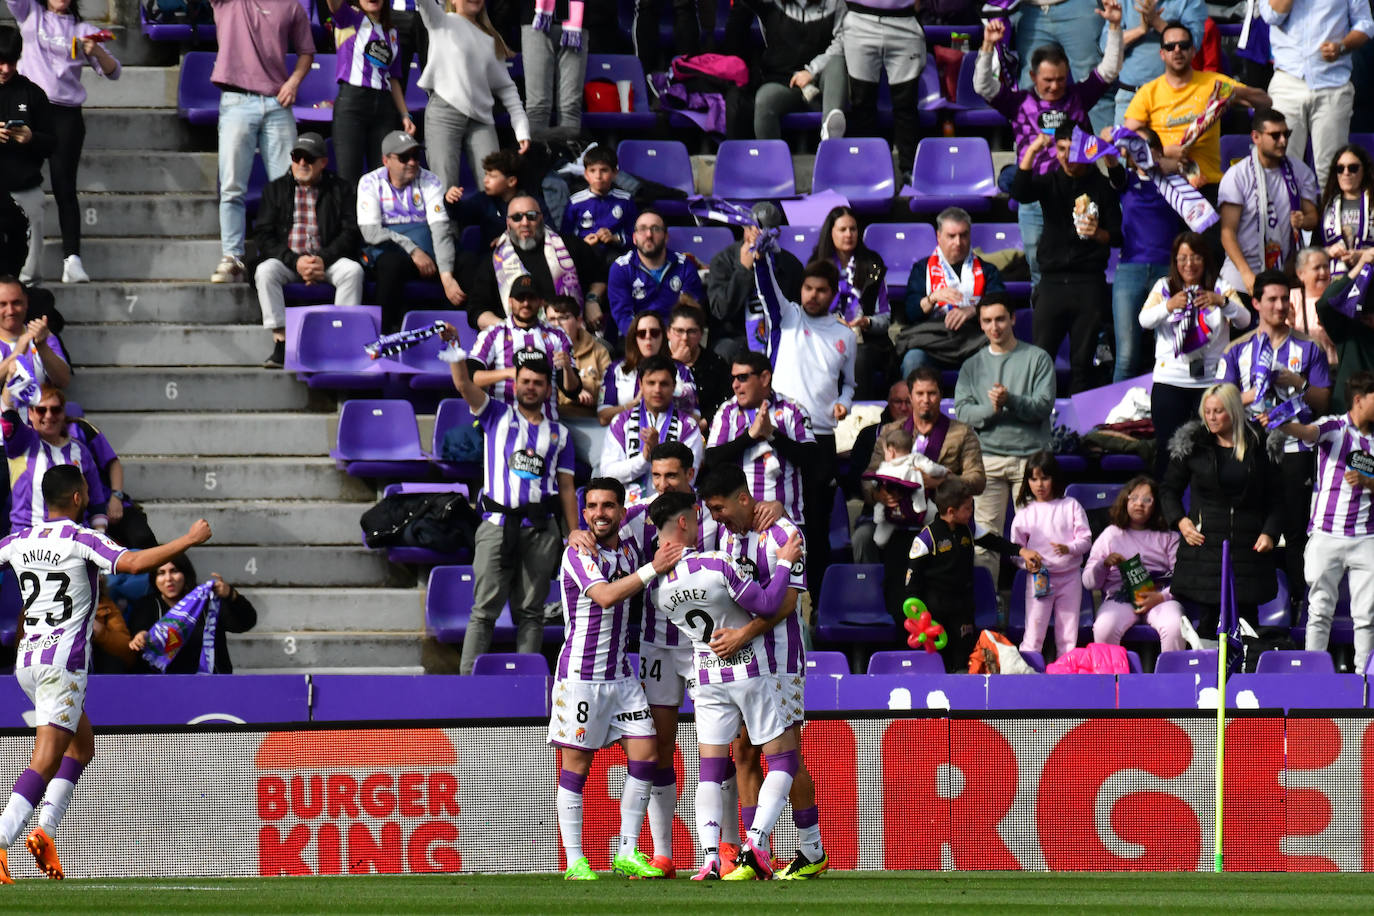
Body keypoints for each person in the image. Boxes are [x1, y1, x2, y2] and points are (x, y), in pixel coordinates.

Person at [0, 464, 211, 884]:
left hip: (28, 661)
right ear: (78, 498)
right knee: (45, 759)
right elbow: (131, 564)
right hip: (63, 663)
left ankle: (44, 831)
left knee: (81, 746)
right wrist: (188, 540)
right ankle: (2, 839)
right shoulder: (82, 538)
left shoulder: (17, 540)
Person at [645, 489, 804, 881]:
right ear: (684, 522)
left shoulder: (657, 591)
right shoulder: (716, 563)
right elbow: (768, 604)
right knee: (783, 759)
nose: (706, 524)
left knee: (710, 770)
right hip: (747, 669)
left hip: (706, 676)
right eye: (699, 518)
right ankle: (754, 844)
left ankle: (711, 857)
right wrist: (783, 563)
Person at [697, 465, 828, 880]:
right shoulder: (726, 536)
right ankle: (761, 853)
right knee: (744, 755)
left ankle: (810, 849)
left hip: (780, 662)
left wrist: (742, 635)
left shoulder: (784, 533)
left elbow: (788, 603)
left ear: (742, 498)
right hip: (741, 668)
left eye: (720, 508)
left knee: (787, 756)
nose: (717, 517)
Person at [549, 476, 681, 881]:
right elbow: (605, 596)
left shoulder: (627, 540)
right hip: (582, 676)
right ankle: (574, 860)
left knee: (647, 756)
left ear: (621, 512)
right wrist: (652, 568)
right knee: (577, 767)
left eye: (608, 506)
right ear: (584, 511)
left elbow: (669, 499)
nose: (599, 514)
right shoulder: (577, 553)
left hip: (621, 676)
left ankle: (626, 849)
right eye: (591, 507)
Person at [440, 332, 578, 674]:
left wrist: (573, 533)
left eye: (538, 383)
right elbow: (462, 383)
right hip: (496, 527)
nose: (530, 387)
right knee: (483, 610)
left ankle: (528, 685)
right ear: (515, 384)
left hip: (541, 531)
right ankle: (468, 684)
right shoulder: (495, 414)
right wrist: (456, 348)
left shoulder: (560, 434)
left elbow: (566, 487)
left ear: (548, 389)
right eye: (525, 381)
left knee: (531, 613)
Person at [976, 8, 1123, 284]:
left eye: (1060, 79)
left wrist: (1115, 27)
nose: (1055, 86)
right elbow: (983, 86)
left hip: (1080, 195)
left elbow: (1110, 69)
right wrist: (987, 46)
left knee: (1087, 270)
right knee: (1037, 270)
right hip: (1035, 195)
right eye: (1048, 80)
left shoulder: (1079, 96)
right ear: (1032, 76)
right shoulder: (1018, 103)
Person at [1221, 268, 1331, 611]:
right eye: (1272, 299)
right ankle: (1250, 609)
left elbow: (1324, 402)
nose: (1281, 305)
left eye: (1285, 299)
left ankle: (1300, 605)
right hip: (1251, 449)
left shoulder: (1308, 347)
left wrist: (1298, 382)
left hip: (1296, 450)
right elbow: (1217, 403)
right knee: (1251, 530)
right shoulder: (1237, 349)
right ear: (1255, 303)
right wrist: (1250, 395)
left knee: (1296, 532)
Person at [754, 242, 855, 594]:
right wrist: (760, 256)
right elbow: (766, 287)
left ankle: (815, 600)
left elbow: (850, 385)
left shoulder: (845, 335)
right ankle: (768, 590)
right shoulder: (788, 316)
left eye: (821, 290)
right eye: (808, 288)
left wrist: (844, 402)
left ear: (832, 293)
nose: (813, 295)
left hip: (821, 438)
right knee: (773, 518)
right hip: (781, 430)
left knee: (815, 523)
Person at [7, 0, 119, 284]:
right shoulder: (31, 13)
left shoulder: (83, 29)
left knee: (64, 184)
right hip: (29, 105)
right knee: (15, 178)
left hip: (65, 113)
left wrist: (95, 52)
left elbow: (113, 71)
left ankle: (72, 259)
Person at [208, 0, 315, 284]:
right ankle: (232, 256)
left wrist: (293, 83)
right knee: (232, 185)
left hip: (277, 102)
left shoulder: (292, 5)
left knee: (289, 187)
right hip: (236, 99)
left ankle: (288, 255)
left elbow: (307, 52)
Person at [1011, 126, 1124, 393]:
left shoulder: (1100, 186)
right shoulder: (1050, 181)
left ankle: (1082, 431)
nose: (1066, 157)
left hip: (1088, 282)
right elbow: (1019, 191)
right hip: (1051, 283)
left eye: (1072, 150)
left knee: (1082, 365)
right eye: (1061, 149)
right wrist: (1033, 150)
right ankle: (1037, 423)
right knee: (1040, 360)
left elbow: (1118, 236)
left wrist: (1097, 234)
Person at [1161, 382, 1281, 633]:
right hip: (1205, 547)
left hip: (1250, 549)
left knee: (1247, 626)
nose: (1211, 418)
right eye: (1207, 411)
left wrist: (1270, 532)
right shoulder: (1193, 444)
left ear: (1234, 411)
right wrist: (1181, 522)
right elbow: (1168, 490)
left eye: (1218, 411)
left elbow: (1277, 496)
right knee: (1208, 624)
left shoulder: (1260, 443)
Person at [864, 367, 985, 613]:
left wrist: (941, 482)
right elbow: (868, 477)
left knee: (944, 603)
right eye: (919, 393)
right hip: (899, 527)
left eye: (932, 393)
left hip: (943, 527)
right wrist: (879, 494)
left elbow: (978, 479)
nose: (925, 399)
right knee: (900, 599)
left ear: (941, 395)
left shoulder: (962, 433)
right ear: (910, 395)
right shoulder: (890, 432)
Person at [1279, 371, 1374, 674]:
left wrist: (1369, 483)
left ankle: (1365, 682)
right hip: (1327, 535)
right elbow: (1308, 433)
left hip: (1366, 538)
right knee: (1319, 610)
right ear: (1359, 400)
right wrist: (1283, 424)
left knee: (1367, 615)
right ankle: (1311, 676)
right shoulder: (1334, 427)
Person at [954, 296, 1054, 580]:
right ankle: (988, 605)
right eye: (987, 321)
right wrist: (993, 408)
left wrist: (1011, 400)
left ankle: (1038, 599)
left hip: (1030, 460)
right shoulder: (971, 366)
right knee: (985, 541)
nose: (994, 327)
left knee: (1036, 537)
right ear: (980, 324)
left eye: (1000, 319)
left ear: (1012, 318)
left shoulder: (1037, 358)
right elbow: (963, 413)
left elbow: (1043, 406)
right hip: (987, 460)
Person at [1140, 231, 1250, 476]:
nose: (1189, 264)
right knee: (1168, 451)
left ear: (1205, 259)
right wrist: (1168, 306)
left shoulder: (1221, 287)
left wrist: (1221, 302)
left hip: (1210, 383)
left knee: (1210, 449)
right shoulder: (1164, 286)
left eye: (1195, 257)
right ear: (1175, 261)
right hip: (1171, 382)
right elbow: (1144, 320)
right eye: (1182, 258)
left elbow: (1245, 319)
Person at [251, 133, 364, 369]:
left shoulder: (340, 189)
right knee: (265, 271)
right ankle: (281, 341)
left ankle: (340, 342)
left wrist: (322, 259)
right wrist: (295, 262)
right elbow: (263, 234)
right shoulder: (275, 189)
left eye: (309, 158)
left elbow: (351, 232)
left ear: (323, 162)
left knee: (353, 271)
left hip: (328, 260)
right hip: (289, 260)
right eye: (297, 157)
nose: (302, 163)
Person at [907, 477, 1042, 670]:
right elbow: (913, 575)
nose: (972, 512)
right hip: (936, 610)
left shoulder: (969, 529)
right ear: (951, 512)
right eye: (968, 508)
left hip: (963, 607)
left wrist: (1021, 551)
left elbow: (994, 542)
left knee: (964, 655)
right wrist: (913, 602)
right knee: (940, 660)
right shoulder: (927, 537)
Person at [1122, 21, 1271, 194]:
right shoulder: (1148, 92)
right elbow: (1126, 147)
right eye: (1170, 47)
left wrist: (1235, 92)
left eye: (1183, 45)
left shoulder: (1213, 83)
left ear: (1193, 51)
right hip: (1164, 186)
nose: (1177, 50)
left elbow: (1265, 102)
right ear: (1162, 54)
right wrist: (1164, 152)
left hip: (1208, 185)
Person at [414, 0, 529, 197]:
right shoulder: (441, 20)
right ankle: (447, 229)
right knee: (443, 189)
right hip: (444, 114)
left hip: (482, 120)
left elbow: (507, 88)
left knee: (494, 188)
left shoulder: (491, 39)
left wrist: (522, 129)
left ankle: (495, 228)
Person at [357, 130, 465, 333]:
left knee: (468, 262)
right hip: (395, 254)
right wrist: (413, 251)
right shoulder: (370, 182)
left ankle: (469, 336)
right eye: (404, 157)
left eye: (415, 156)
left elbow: (441, 231)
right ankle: (384, 335)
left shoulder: (430, 181)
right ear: (386, 160)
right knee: (390, 265)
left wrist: (446, 276)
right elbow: (371, 233)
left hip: (432, 253)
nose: (412, 162)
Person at [1260, 0, 1372, 182]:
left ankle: (1330, 211)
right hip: (1288, 81)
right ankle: (1289, 211)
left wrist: (1342, 46)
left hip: (1333, 83)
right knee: (1282, 165)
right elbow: (1271, 16)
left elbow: (1365, 24)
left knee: (1332, 170)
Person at [1217, 109, 1320, 297]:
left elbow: (1313, 217)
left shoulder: (1300, 171)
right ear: (1256, 137)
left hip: (1282, 278)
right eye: (1275, 135)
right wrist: (1247, 274)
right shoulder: (1237, 175)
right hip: (1241, 280)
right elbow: (1227, 232)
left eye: (1286, 134)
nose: (1283, 141)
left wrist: (1303, 221)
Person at [1113, 125, 1187, 381]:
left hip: (1167, 272)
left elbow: (1194, 172)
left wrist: (1170, 164)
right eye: (1134, 149)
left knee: (1166, 351)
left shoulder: (1175, 182)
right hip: (1130, 270)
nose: (1139, 153)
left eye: (1145, 147)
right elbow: (1108, 157)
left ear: (1156, 151)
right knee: (1126, 355)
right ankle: (1116, 420)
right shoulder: (1125, 179)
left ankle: (1160, 413)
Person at [899, 206, 1007, 378]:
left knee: (997, 351)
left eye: (963, 235)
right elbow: (911, 312)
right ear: (938, 236)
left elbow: (1001, 304)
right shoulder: (922, 269)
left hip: (974, 339)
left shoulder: (987, 270)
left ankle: (993, 404)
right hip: (933, 340)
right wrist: (933, 298)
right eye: (951, 236)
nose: (958, 242)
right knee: (913, 359)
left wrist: (973, 310)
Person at [1084, 475, 1187, 652]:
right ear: (1125, 500)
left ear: (1156, 505)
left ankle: (1169, 679)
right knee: (1104, 627)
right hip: (1120, 597)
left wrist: (1161, 597)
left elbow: (1182, 578)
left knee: (1174, 626)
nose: (1140, 504)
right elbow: (1088, 582)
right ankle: (1110, 679)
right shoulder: (1111, 534)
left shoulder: (1169, 537)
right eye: (1134, 498)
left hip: (1159, 596)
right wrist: (1104, 565)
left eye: (1147, 499)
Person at [471, 194, 602, 330]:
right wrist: (508, 330)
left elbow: (599, 278)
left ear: (541, 218)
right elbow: (477, 310)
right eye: (517, 217)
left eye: (531, 216)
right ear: (508, 223)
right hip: (516, 345)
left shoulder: (571, 246)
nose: (525, 223)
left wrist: (592, 300)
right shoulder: (493, 260)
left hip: (573, 337)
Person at [1008, 450, 1091, 657]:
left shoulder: (1071, 506)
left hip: (1070, 578)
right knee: (1034, 633)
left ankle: (1066, 675)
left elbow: (1086, 540)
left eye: (1045, 478)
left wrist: (1068, 548)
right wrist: (1026, 563)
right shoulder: (1025, 513)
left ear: (1055, 477)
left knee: (1068, 635)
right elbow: (1015, 550)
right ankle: (1028, 675)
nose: (1039, 485)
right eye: (1034, 479)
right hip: (1039, 578)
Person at [325, 0, 416, 187]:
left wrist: (405, 114)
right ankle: (349, 217)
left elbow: (394, 78)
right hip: (352, 105)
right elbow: (333, 4)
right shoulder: (349, 17)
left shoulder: (392, 32)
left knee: (383, 177)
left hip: (384, 108)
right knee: (349, 179)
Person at [808, 206, 891, 398]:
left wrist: (867, 323)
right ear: (831, 233)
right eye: (842, 230)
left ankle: (858, 417)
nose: (849, 234)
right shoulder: (817, 265)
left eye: (853, 229)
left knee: (858, 357)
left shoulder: (873, 264)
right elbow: (808, 314)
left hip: (865, 341)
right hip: (825, 339)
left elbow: (885, 317)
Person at [126, 554, 257, 674]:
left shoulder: (207, 601)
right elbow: (139, 629)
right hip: (165, 687)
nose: (168, 579)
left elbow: (244, 624)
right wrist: (140, 636)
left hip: (210, 685)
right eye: (161, 573)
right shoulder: (147, 605)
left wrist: (231, 595)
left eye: (174, 571)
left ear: (185, 574)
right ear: (154, 579)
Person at [469, 274, 581, 415]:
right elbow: (470, 377)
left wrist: (567, 369)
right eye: (520, 298)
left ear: (541, 302)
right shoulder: (493, 334)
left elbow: (572, 391)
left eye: (531, 298)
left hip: (545, 423)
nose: (526, 303)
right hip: (502, 422)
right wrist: (509, 373)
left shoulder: (557, 336)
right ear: (510, 301)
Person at [598, 355, 704, 502]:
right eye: (651, 383)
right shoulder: (621, 422)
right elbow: (608, 474)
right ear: (641, 385)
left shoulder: (688, 426)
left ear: (674, 386)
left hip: (671, 509)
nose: (657, 390)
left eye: (664, 384)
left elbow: (688, 479)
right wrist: (644, 459)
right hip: (628, 513)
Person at [3, 384, 106, 534]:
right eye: (41, 410)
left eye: (55, 409)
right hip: (28, 538)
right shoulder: (22, 443)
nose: (49, 415)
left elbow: (96, 500)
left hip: (72, 540)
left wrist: (99, 534)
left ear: (64, 413)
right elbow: (8, 419)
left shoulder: (80, 451)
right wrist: (12, 370)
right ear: (30, 413)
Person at [840, 0, 924, 178]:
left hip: (905, 21)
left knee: (907, 104)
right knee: (861, 102)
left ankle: (910, 172)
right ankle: (865, 173)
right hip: (859, 20)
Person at [745, 0, 847, 142]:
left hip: (821, 80)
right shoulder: (770, 3)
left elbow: (841, 42)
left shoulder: (835, 3)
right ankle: (771, 159)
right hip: (785, 80)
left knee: (838, 61)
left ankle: (830, 140)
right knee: (765, 100)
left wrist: (812, 71)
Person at [0, 27, 54, 285]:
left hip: (24, 189)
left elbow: (53, 144)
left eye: (11, 62)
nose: (5, 69)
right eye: (0, 62)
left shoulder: (33, 94)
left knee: (29, 271)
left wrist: (32, 138)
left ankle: (29, 307)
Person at [706, 224, 803, 363]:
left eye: (768, 230)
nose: (762, 235)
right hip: (735, 338)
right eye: (757, 229)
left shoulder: (790, 264)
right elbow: (720, 310)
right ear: (746, 230)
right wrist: (743, 270)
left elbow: (797, 313)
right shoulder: (723, 261)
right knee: (727, 351)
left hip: (778, 335)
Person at [606, 209, 706, 340]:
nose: (648, 234)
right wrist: (647, 340)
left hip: (676, 339)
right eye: (642, 229)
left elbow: (690, 313)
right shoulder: (621, 268)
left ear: (666, 237)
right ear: (634, 238)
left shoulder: (685, 266)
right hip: (638, 339)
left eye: (655, 229)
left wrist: (671, 340)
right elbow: (623, 317)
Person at [1103, 0, 1205, 126]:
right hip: (1130, 97)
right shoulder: (1124, 2)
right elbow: (1106, 46)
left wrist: (1157, 23)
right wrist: (1140, 30)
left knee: (1172, 146)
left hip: (1174, 98)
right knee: (1124, 145)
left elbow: (1194, 43)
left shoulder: (1189, 2)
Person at [598, 311, 696, 424]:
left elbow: (695, 417)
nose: (648, 337)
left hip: (670, 436)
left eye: (654, 333)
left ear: (663, 336)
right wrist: (634, 404)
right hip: (625, 435)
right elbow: (603, 417)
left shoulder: (681, 370)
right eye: (642, 333)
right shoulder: (616, 369)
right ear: (634, 337)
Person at [1316, 247, 1374, 414]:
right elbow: (1326, 303)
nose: (1369, 317)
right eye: (1365, 311)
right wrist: (1361, 265)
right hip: (1348, 418)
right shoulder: (1347, 328)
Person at [520, 0, 587, 142]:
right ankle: (537, 160)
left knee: (571, 108)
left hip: (578, 23)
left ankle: (571, 160)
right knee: (538, 106)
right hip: (536, 19)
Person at [870, 426, 947, 548]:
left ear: (891, 451)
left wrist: (877, 492)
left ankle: (880, 541)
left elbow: (874, 483)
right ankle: (936, 541)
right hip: (918, 509)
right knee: (935, 516)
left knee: (880, 538)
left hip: (892, 511)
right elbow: (933, 469)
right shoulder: (916, 458)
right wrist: (945, 471)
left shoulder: (885, 467)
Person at [562, 145, 636, 269]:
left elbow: (635, 236)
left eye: (604, 170)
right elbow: (565, 238)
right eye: (592, 170)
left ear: (615, 173)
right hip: (584, 254)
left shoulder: (625, 200)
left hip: (615, 254)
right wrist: (583, 243)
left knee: (619, 265)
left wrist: (615, 238)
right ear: (586, 174)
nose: (598, 176)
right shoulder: (575, 202)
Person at [546, 294, 610, 419]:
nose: (557, 324)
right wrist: (575, 391)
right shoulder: (542, 350)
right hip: (556, 419)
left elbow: (608, 391)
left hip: (592, 421)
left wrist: (580, 385)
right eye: (551, 319)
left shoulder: (599, 351)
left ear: (579, 321)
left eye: (563, 318)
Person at [0, 278, 70, 392]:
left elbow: (63, 381)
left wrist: (42, 346)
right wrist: (17, 354)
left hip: (40, 408)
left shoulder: (42, 334)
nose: (10, 311)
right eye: (2, 304)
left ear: (26, 302)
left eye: (16, 303)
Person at [667, 303, 730, 426]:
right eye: (679, 331)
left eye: (692, 331)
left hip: (707, 428)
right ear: (668, 332)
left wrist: (706, 421)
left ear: (701, 333)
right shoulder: (658, 360)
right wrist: (675, 363)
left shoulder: (715, 363)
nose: (685, 338)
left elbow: (726, 399)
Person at [452, 148, 529, 247]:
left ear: (511, 181)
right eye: (486, 175)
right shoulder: (483, 200)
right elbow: (461, 214)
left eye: (492, 176)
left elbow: (544, 231)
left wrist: (509, 240)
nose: (485, 180)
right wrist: (451, 201)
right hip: (492, 257)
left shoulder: (531, 203)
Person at [1317, 143, 1374, 278]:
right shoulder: (1327, 206)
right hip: (1336, 280)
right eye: (1340, 168)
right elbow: (1314, 249)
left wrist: (1362, 255)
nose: (1346, 173)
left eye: (1353, 168)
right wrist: (1329, 251)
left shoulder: (1372, 202)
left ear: (1364, 170)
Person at [1293, 244, 1338, 366]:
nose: (1323, 272)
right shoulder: (1292, 298)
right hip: (1302, 367)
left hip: (1333, 367)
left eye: (1326, 267)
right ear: (1301, 274)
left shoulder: (1339, 297)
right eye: (1317, 268)